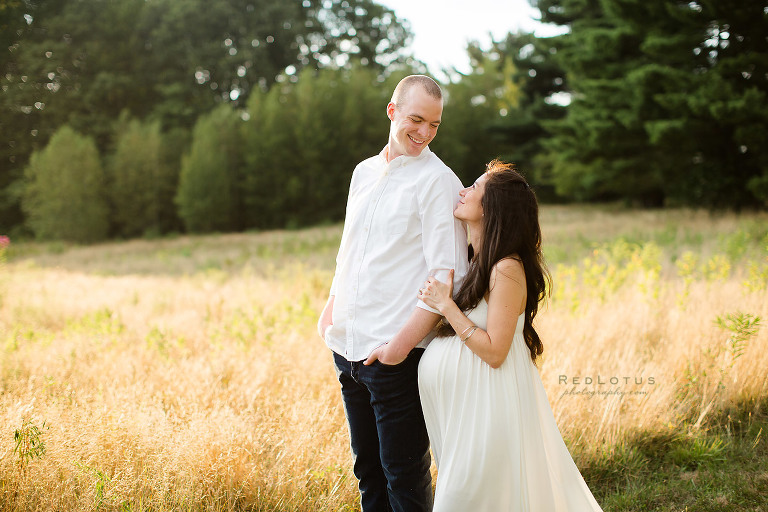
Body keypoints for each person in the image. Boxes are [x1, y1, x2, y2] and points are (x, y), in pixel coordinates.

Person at [317, 75, 469, 512]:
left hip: (395, 356)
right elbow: (350, 250)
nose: (424, 133)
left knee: (404, 478)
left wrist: (399, 348)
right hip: (346, 347)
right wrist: (330, 310)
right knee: (367, 474)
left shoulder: (438, 181)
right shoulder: (363, 172)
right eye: (416, 120)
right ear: (392, 111)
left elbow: (448, 276)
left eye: (435, 125)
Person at [416, 160, 603, 511]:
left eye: (473, 188)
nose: (462, 191)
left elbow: (495, 351)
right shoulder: (476, 262)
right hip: (465, 413)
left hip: (487, 409)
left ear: (493, 207)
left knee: (465, 501)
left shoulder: (507, 268)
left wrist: (447, 307)